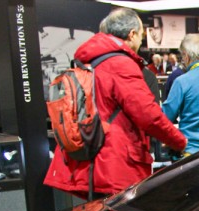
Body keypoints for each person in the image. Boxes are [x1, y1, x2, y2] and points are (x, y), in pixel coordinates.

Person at [44, 7, 186, 200]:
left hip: (89, 157)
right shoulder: (120, 64)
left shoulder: (90, 61)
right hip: (115, 162)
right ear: (132, 34)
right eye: (141, 36)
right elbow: (147, 114)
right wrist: (179, 141)